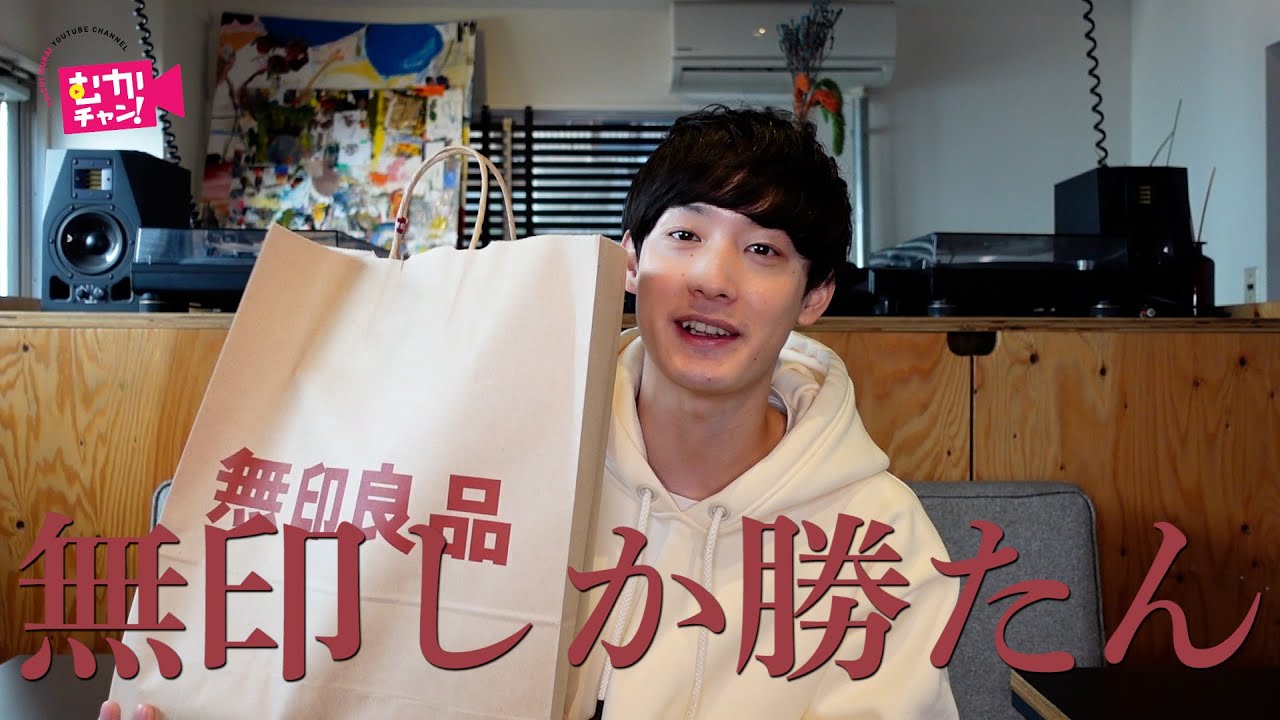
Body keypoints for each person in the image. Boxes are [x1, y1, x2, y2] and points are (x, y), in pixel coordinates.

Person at [103, 105, 958, 720]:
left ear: (815, 297)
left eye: (763, 249)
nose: (713, 278)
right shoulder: (502, 461)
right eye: (685, 235)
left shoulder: (878, 534)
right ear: (631, 261)